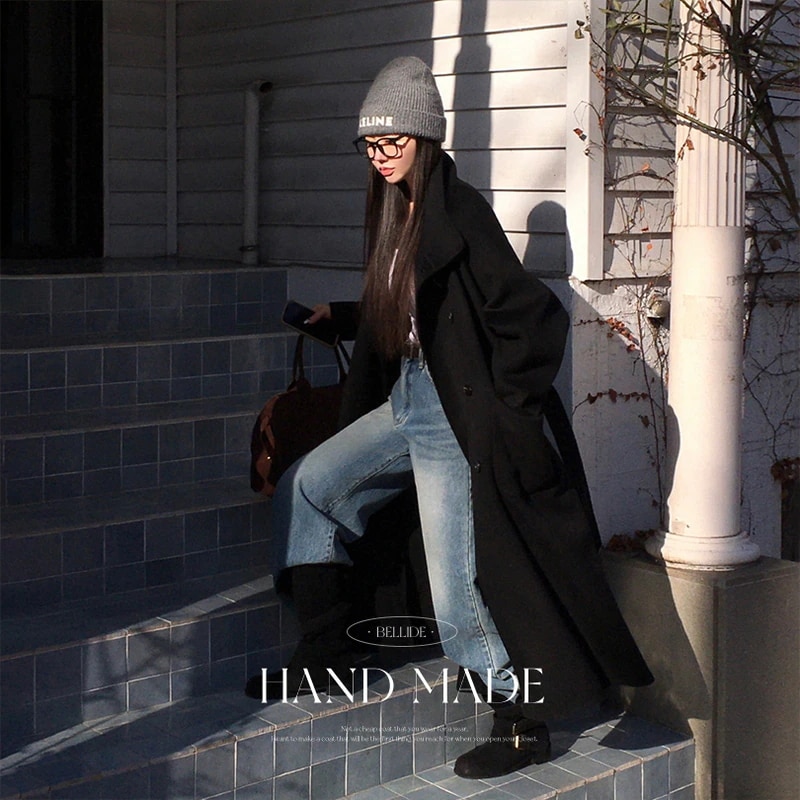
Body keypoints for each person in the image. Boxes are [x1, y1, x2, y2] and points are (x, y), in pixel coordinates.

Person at [246, 56, 652, 779]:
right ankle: (327, 649)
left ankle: (520, 722)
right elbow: (420, 307)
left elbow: (533, 317)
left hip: (451, 414)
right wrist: (347, 316)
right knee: (308, 488)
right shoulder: (392, 211)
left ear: (425, 137)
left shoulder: (460, 211)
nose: (381, 155)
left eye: (393, 141)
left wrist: (506, 410)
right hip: (405, 396)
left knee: (456, 586)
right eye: (371, 145)